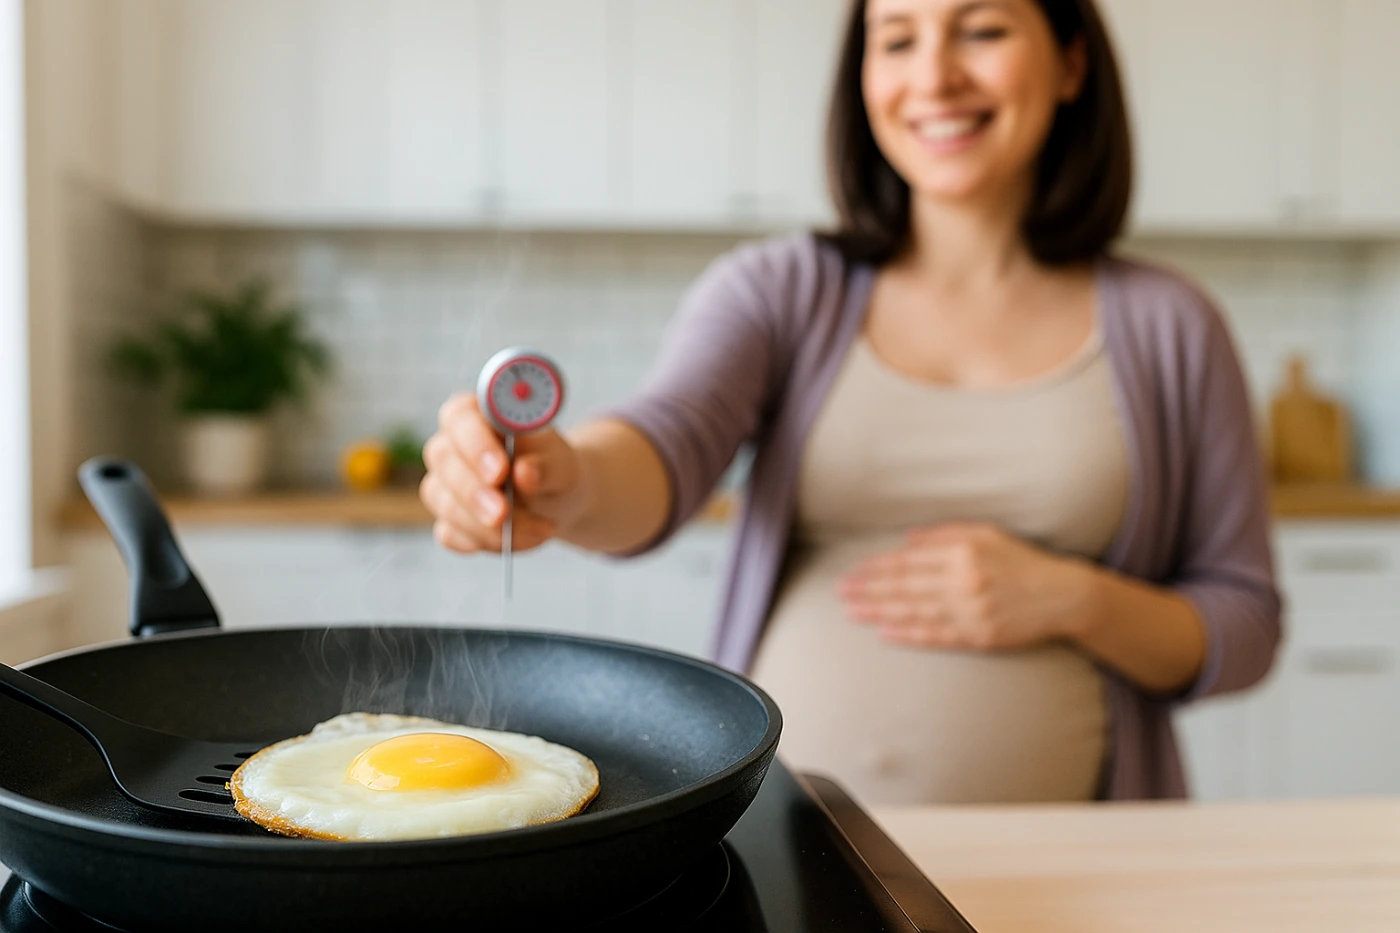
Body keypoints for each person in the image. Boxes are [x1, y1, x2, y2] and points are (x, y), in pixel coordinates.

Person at [420, 0, 1281, 804]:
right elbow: (662, 442)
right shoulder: (779, 290)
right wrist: (560, 480)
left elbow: (1245, 624)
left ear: (1070, 63)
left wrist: (1073, 597)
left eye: (981, 30)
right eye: (897, 38)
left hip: (1076, 862)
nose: (933, 76)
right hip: (796, 842)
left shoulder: (1173, 324)